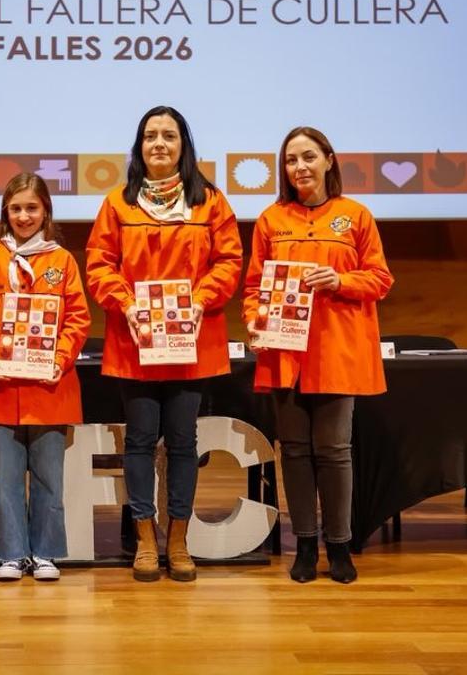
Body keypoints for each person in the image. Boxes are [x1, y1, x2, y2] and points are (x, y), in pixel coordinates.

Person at [86, 106, 242, 582]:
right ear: (139, 147)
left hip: (191, 344)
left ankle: (179, 538)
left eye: (169, 136)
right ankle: (145, 539)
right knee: (137, 442)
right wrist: (126, 305)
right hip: (135, 344)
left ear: (183, 146)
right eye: (150, 136)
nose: (159, 143)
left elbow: (230, 262)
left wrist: (200, 300)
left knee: (182, 442)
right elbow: (98, 265)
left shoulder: (211, 202)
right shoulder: (118, 204)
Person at [243, 126, 393, 584]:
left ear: (329, 159)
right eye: (291, 160)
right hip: (286, 353)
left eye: (308, 157)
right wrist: (253, 321)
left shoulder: (356, 216)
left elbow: (381, 280)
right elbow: (253, 288)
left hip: (338, 351)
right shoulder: (271, 219)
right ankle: (304, 544)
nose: (300, 167)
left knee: (334, 451)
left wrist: (341, 281)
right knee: (294, 451)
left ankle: (340, 545)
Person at [0, 173, 90, 581]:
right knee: (6, 479)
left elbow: (77, 319)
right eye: (15, 208)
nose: (23, 215)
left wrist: (62, 357)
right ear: (5, 213)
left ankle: (47, 551)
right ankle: (11, 553)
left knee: (50, 477)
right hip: (1, 387)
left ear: (46, 211)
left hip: (50, 386)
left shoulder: (62, 261)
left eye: (31, 208)